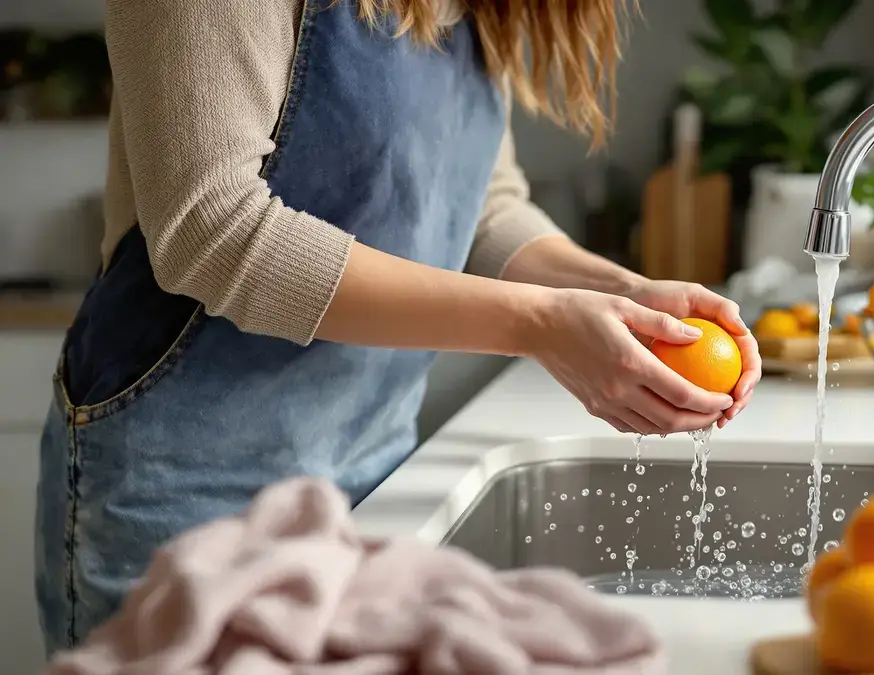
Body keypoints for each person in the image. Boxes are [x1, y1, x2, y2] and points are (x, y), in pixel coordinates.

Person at [35, 0, 762, 655]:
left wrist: (622, 292)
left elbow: (486, 208)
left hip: (374, 474)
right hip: (183, 495)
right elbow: (213, 230)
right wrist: (541, 324)